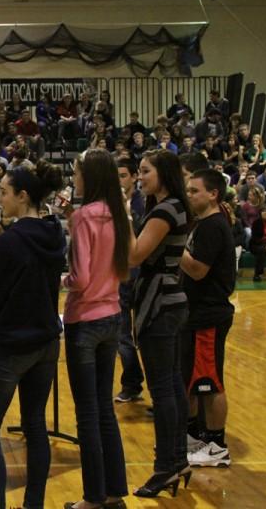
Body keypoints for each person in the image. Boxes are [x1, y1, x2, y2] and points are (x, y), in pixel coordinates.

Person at [0, 161, 65, 509]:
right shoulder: (54, 232)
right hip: (46, 340)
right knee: (35, 425)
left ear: (23, 196)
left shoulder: (8, 244)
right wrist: (1, 242)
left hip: (14, 344)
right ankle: (34, 504)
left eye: (3, 193)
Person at [62, 149, 130, 509]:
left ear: (89, 176)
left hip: (84, 320)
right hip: (113, 315)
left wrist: (64, 278)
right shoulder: (119, 214)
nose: (74, 178)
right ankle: (114, 491)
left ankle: (91, 499)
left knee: (87, 413)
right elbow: (126, 262)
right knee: (105, 408)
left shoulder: (83, 216)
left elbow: (81, 278)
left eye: (76, 172)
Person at [127, 149, 191, 498]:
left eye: (145, 171)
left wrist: (121, 217)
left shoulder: (166, 209)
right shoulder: (171, 207)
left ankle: (166, 465)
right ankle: (177, 460)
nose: (140, 176)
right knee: (172, 387)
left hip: (161, 304)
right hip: (170, 300)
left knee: (164, 389)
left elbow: (136, 255)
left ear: (163, 174)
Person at [180, 169, 236, 469]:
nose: (189, 195)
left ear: (212, 194)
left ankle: (216, 445)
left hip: (209, 315)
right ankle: (194, 437)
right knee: (192, 380)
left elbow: (199, 270)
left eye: (194, 191)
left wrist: (173, 247)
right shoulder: (204, 224)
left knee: (210, 381)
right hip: (197, 314)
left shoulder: (214, 226)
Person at [114, 157, 145, 403]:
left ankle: (145, 385)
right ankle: (132, 383)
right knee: (123, 334)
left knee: (142, 334)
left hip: (141, 273)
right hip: (122, 272)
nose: (120, 181)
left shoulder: (143, 203)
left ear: (134, 177)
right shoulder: (113, 204)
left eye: (124, 175)